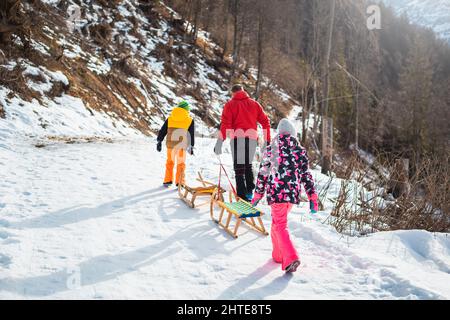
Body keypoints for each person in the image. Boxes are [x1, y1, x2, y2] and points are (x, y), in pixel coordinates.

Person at [251, 118, 319, 273]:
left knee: (280, 225)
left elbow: (263, 175)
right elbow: (306, 175)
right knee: (276, 223)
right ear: (293, 134)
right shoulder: (299, 150)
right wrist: (312, 197)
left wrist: (257, 195)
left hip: (276, 195)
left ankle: (291, 257)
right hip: (291, 197)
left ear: (279, 133)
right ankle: (278, 256)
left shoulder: (271, 150)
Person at [214, 84, 271, 201]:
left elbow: (225, 125)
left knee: (239, 169)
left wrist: (219, 142)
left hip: (237, 139)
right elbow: (266, 122)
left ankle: (242, 197)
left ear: (232, 93)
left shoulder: (230, 105)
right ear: (243, 91)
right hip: (251, 139)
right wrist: (267, 140)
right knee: (248, 165)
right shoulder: (254, 104)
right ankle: (250, 192)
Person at [157, 101, 195, 187]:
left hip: (170, 145)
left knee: (170, 162)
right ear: (186, 110)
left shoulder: (170, 118)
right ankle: (180, 182)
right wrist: (191, 145)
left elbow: (162, 131)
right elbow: (191, 134)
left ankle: (167, 180)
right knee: (180, 163)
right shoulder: (189, 120)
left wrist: (159, 141)